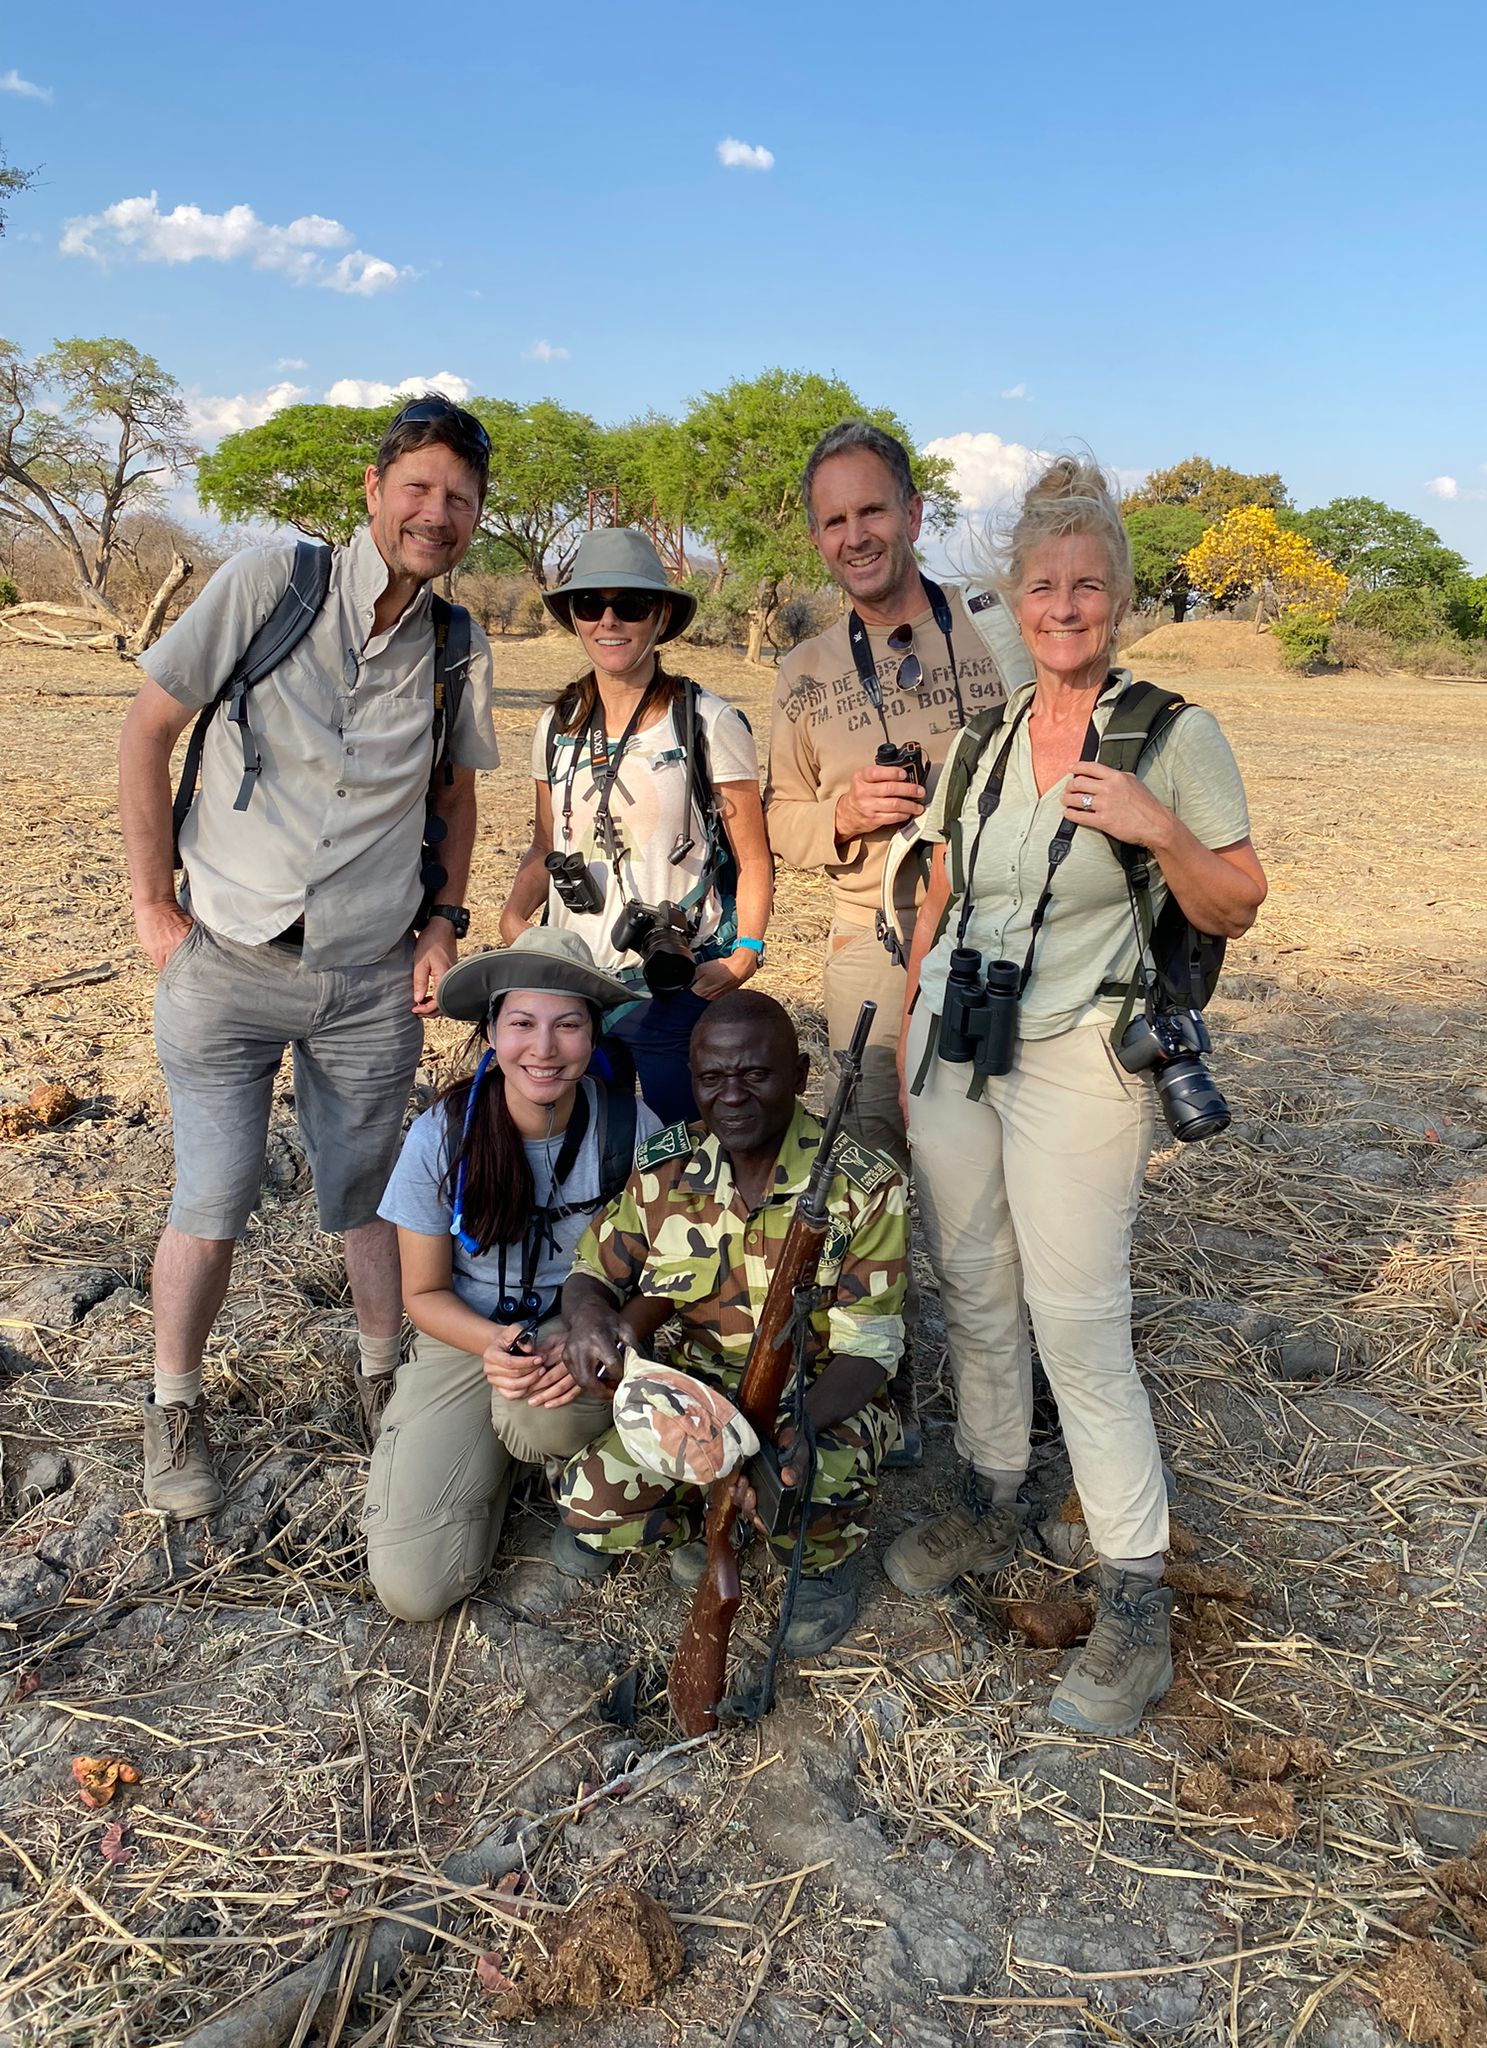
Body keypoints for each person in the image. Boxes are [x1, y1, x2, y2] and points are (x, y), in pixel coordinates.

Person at [885, 455, 1267, 1736]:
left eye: (1087, 584)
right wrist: (910, 1027)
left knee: (1080, 1315)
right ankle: (992, 1485)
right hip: (958, 1037)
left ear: (1121, 596)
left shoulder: (1171, 733)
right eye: (1042, 585)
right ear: (1017, 593)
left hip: (1079, 1051)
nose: (1062, 606)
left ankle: (1137, 1593)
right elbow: (942, 885)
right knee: (973, 1276)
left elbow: (1237, 898)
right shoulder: (985, 738)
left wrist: (1160, 828)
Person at [117, 394, 499, 1520]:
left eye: (459, 498)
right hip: (227, 956)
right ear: (374, 491)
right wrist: (152, 902)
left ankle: (384, 1384)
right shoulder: (268, 586)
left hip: (369, 975)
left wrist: (442, 924)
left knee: (371, 1189)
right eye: (417, 487)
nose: (435, 513)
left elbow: (455, 799)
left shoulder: (457, 646)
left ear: (478, 517)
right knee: (214, 1193)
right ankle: (174, 1403)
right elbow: (148, 729)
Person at [764, 420, 1028, 1465]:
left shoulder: (999, 624)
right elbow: (775, 821)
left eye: (873, 509)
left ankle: (1013, 1386)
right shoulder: (803, 670)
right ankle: (888, 1391)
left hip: (1002, 934)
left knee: (1006, 1163)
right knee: (876, 1174)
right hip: (871, 941)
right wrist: (842, 811)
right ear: (817, 537)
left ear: (915, 513)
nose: (856, 535)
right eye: (834, 520)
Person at [551, 990, 908, 1658]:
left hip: (815, 1401)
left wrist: (787, 1433)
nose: (733, 1096)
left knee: (807, 1492)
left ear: (799, 1076)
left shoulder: (865, 1186)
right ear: (692, 1080)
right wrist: (590, 1318)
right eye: (712, 1078)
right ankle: (711, 1518)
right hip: (700, 1399)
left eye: (756, 1074)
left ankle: (819, 1561)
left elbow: (870, 1349)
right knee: (588, 1504)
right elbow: (591, 1269)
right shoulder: (668, 1165)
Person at [362, 930, 662, 1621]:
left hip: (583, 1323)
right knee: (415, 1591)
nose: (544, 1049)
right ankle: (493, 1463)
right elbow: (423, 1294)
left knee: (538, 1419)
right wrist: (492, 1346)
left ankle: (558, 1457)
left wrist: (594, 1332)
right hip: (469, 1335)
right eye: (522, 1024)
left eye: (568, 1025)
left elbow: (665, 1270)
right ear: (492, 1031)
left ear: (594, 1034)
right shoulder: (443, 1133)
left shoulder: (631, 1126)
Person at [498, 528, 772, 1125]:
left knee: (683, 1145)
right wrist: (513, 917)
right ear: (573, 617)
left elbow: (754, 857)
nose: (609, 621)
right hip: (574, 985)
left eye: (631, 604)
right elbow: (546, 845)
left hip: (673, 983)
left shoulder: (707, 721)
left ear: (662, 615)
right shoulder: (557, 724)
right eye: (589, 604)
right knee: (586, 1144)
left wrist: (746, 952)